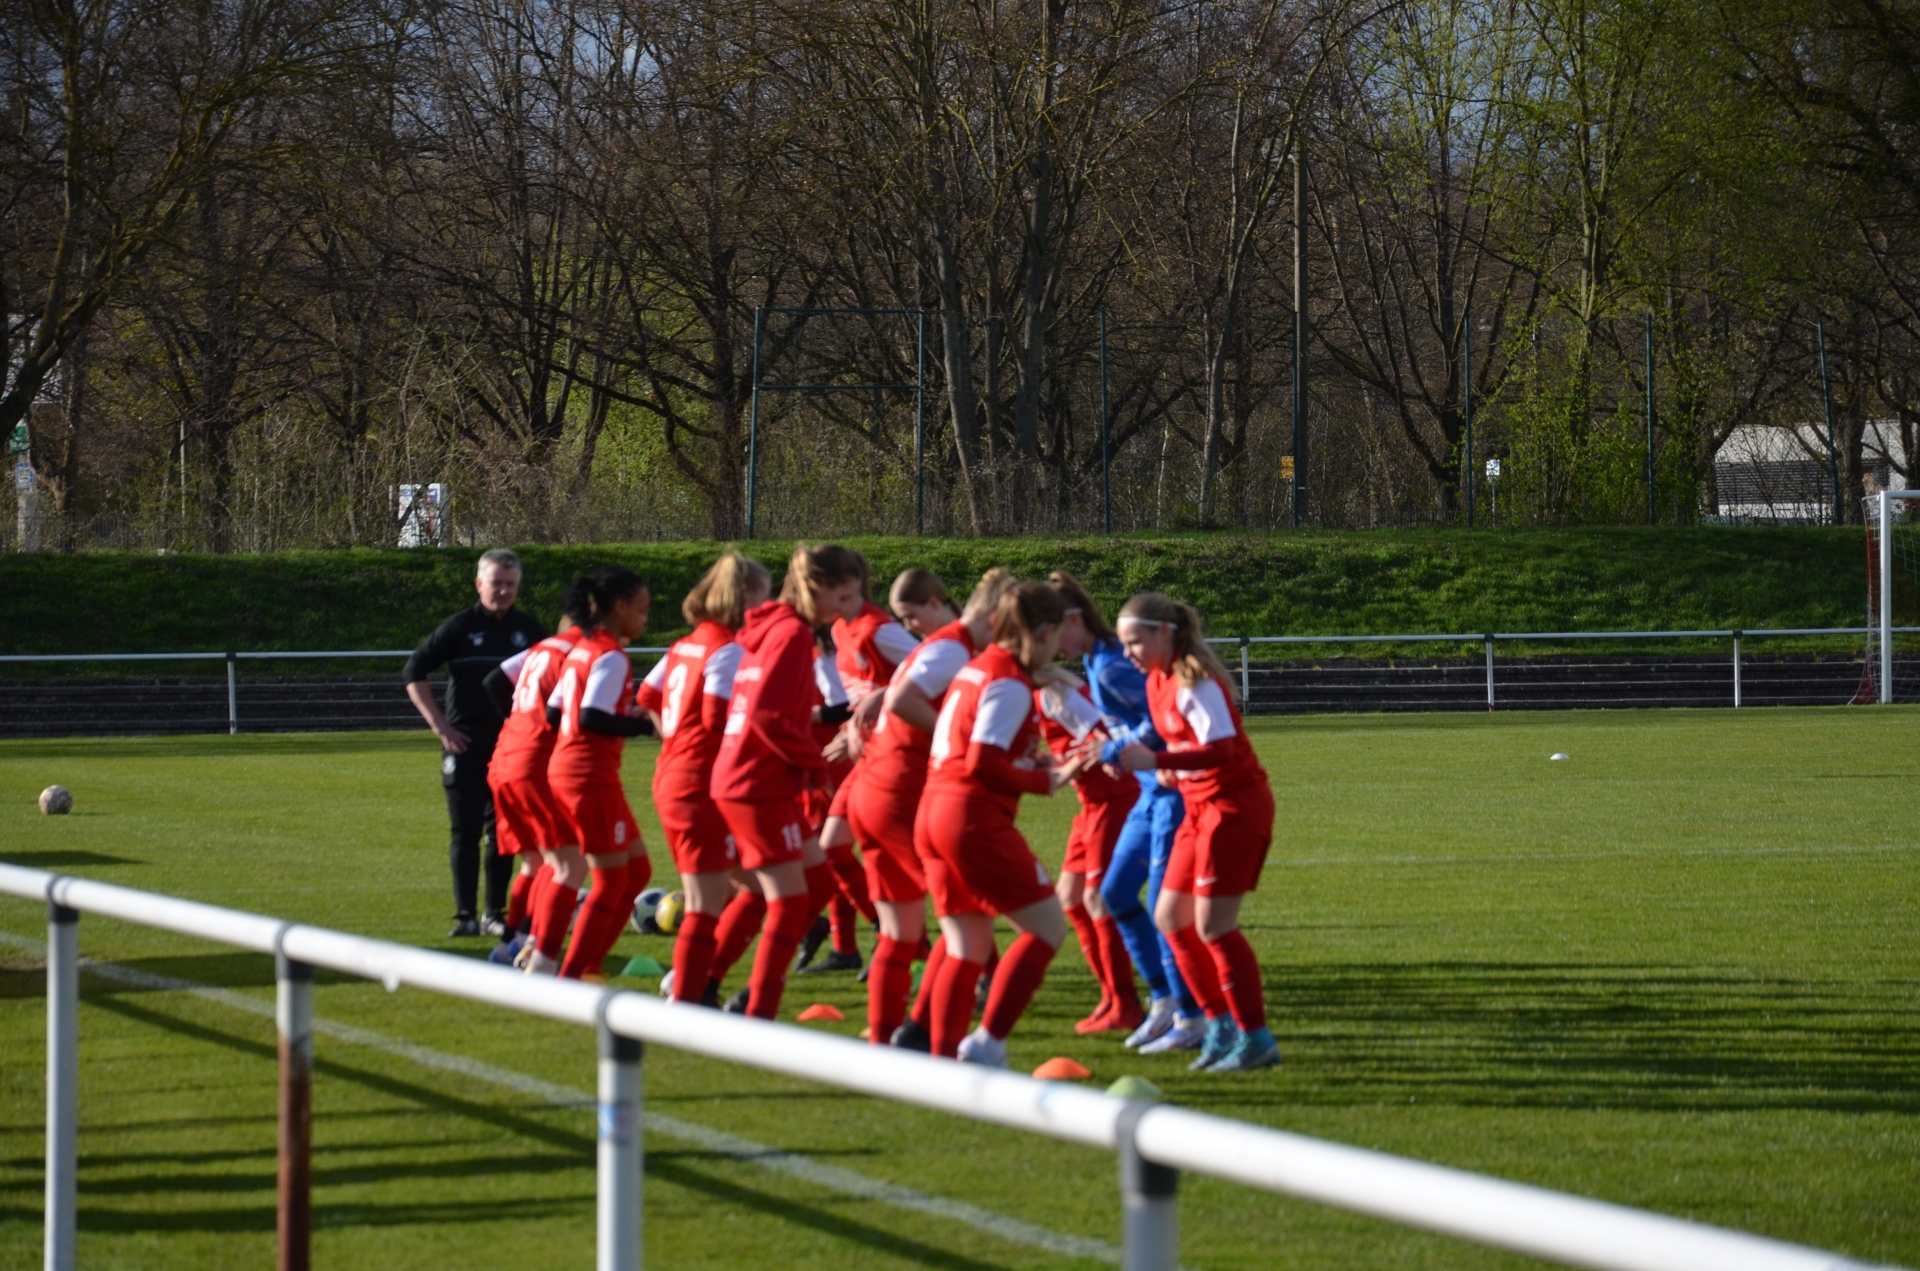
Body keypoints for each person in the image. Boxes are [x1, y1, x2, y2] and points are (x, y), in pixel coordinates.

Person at [919, 582, 1090, 1063]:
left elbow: (972, 749)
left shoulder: (978, 666)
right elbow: (980, 763)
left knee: (966, 944)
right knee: (1046, 928)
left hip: (934, 809)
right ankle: (988, 1043)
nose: (1058, 647)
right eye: (1055, 636)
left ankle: (943, 1058)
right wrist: (1048, 781)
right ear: (1043, 630)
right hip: (968, 816)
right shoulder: (1009, 680)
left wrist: (1031, 765)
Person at [846, 567, 1014, 1047]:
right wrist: (952, 734)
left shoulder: (945, 645)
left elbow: (892, 695)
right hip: (898, 795)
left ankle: (889, 1042)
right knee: (967, 924)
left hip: (876, 793)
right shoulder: (951, 646)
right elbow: (901, 699)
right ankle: (929, 1039)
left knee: (901, 934)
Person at [1112, 592, 1281, 1073]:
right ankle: (1218, 1025)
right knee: (1169, 917)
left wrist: (1160, 762)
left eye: (1134, 642)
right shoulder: (1156, 680)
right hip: (1198, 806)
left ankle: (1255, 1039)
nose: (1128, 654)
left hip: (1233, 808)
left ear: (1164, 633)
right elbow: (1189, 746)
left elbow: (1223, 750)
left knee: (1213, 927)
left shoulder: (1195, 680)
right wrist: (1173, 772)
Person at [708, 543, 866, 1019]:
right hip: (756, 781)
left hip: (752, 777)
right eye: (843, 597)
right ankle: (754, 1003)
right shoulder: (792, 634)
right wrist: (815, 768)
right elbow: (767, 717)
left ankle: (706, 981)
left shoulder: (773, 629)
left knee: (813, 884)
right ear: (820, 588)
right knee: (789, 899)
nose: (844, 609)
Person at [634, 552, 769, 1005]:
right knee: (706, 903)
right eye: (763, 598)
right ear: (745, 598)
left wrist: (672, 736)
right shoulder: (727, 650)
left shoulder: (685, 644)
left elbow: (647, 694)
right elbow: (717, 720)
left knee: (754, 889)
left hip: (677, 776)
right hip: (699, 785)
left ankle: (694, 980)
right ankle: (687, 995)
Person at [404, 549, 548, 938]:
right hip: (464, 746)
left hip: (511, 750)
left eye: (509, 584)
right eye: (496, 583)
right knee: (464, 831)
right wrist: (441, 727)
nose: (502, 591)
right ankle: (465, 915)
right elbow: (414, 671)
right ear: (479, 583)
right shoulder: (460, 626)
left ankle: (494, 914)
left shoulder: (529, 631)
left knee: (502, 832)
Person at [536, 567, 655, 979]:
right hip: (588, 776)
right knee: (609, 879)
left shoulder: (583, 649)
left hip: (571, 770)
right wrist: (647, 726)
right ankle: (567, 974)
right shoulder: (610, 655)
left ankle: (580, 963)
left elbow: (555, 712)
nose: (645, 619)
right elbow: (590, 716)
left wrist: (623, 716)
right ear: (618, 608)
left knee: (637, 873)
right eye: (641, 610)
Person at [1038, 573, 1143, 1036]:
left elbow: (1102, 738)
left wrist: (1058, 772)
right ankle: (1111, 995)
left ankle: (1128, 1003)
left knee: (1098, 900)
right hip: (1092, 803)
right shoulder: (1049, 686)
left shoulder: (1061, 689)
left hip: (1113, 798)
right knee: (1071, 900)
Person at [480, 593, 590, 965]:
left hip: (506, 758)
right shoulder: (582, 650)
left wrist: (517, 721)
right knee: (570, 861)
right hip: (536, 764)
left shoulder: (545, 646)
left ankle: (509, 943)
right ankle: (535, 949)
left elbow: (496, 679)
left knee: (536, 861)